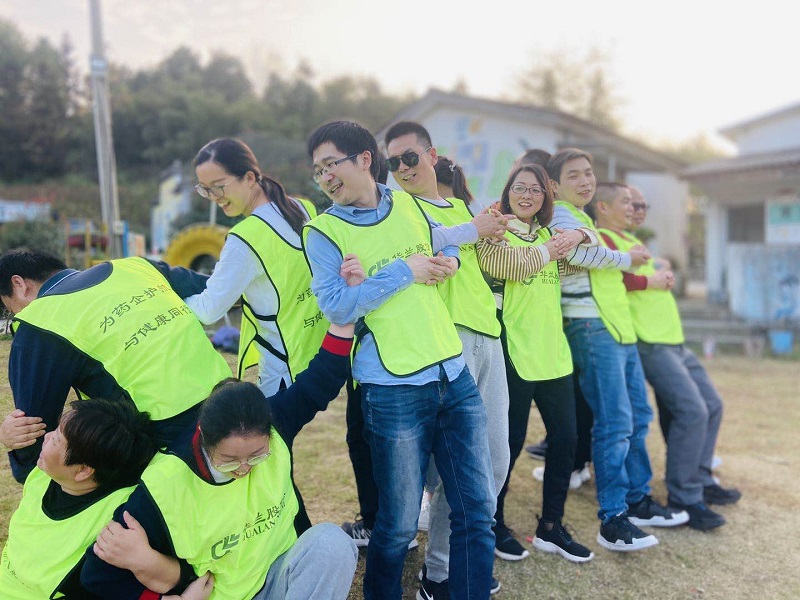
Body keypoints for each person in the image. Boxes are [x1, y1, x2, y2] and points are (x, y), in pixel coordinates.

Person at [303, 120, 500, 600]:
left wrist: (451, 261)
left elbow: (442, 239)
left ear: (363, 159)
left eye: (330, 165)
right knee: (397, 526)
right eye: (318, 171)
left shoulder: (409, 203)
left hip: (452, 372)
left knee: (477, 511)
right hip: (392, 388)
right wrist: (404, 272)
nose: (325, 177)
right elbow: (337, 307)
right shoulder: (323, 232)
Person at [81, 322, 359, 600]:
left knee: (332, 542)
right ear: (203, 436)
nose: (244, 468)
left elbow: (321, 381)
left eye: (257, 455)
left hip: (280, 579)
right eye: (228, 460)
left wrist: (343, 319)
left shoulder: (277, 422)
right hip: (221, 594)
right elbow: (98, 575)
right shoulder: (165, 484)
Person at [384, 121, 512, 597]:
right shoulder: (395, 207)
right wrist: (472, 231)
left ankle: (459, 562)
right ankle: (438, 572)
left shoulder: (459, 207)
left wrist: (492, 235)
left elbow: (471, 253)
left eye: (410, 157)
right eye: (393, 162)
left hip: (488, 336)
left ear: (432, 155)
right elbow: (414, 244)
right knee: (459, 466)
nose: (402, 168)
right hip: (446, 340)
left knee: (495, 461)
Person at [546, 150, 688, 552]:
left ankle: (637, 499)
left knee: (637, 415)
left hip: (615, 328)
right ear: (554, 185)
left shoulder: (581, 217)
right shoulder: (560, 216)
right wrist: (626, 259)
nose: (585, 181)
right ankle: (613, 519)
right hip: (592, 327)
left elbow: (599, 264)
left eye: (588, 173)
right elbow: (577, 253)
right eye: (574, 175)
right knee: (614, 422)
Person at [0, 249, 232, 484]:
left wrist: (21, 460)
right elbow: (220, 288)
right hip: (232, 403)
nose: (15, 314)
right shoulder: (136, 267)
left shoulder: (39, 322)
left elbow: (32, 428)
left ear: (19, 284)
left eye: (10, 309)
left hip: (166, 440)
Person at [595, 184, 740, 530]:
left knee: (712, 405)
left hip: (674, 340)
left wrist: (661, 270)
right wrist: (654, 279)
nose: (635, 210)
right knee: (692, 411)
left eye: (639, 205)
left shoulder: (631, 241)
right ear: (603, 206)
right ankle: (685, 496)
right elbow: (616, 280)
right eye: (628, 203)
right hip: (649, 341)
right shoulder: (603, 239)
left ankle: (701, 479)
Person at [477, 163, 593, 564]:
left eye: (536, 190)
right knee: (508, 443)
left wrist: (580, 234)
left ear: (547, 197)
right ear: (508, 191)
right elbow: (507, 267)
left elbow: (583, 259)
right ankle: (493, 523)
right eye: (519, 188)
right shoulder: (494, 230)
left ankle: (551, 526)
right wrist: (553, 250)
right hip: (514, 350)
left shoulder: (548, 235)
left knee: (567, 439)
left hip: (553, 353)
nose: (526, 196)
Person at [185, 138, 327, 396]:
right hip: (317, 358)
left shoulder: (244, 239)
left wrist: (169, 297)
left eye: (219, 187)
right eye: (205, 190)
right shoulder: (302, 207)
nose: (214, 197)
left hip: (283, 372)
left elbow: (208, 310)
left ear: (249, 178)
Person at [0, 398, 172, 599]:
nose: (47, 436)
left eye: (56, 440)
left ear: (83, 470)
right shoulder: (43, 475)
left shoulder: (123, 513)